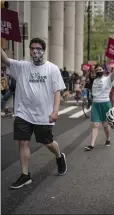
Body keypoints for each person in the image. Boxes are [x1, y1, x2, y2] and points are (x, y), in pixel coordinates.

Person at [1, 38, 67, 189]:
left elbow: (57, 92)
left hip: (43, 114)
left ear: (44, 51)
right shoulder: (22, 66)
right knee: (23, 142)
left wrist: (55, 111)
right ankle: (25, 175)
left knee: (47, 142)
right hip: (23, 113)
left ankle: (59, 156)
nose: (35, 51)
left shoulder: (52, 69)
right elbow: (4, 59)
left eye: (38, 48)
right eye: (32, 48)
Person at [84, 63, 114, 151]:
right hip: (96, 104)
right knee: (95, 124)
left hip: (105, 103)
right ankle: (91, 145)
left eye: (100, 70)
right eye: (97, 70)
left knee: (105, 125)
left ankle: (108, 138)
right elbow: (90, 91)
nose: (99, 71)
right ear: (95, 72)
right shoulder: (94, 80)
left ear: (103, 70)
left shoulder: (108, 79)